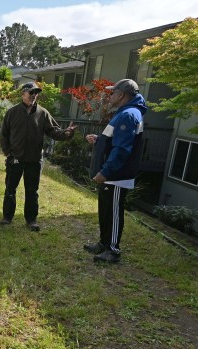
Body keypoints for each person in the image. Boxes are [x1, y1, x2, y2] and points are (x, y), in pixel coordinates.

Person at [84, 79, 147, 263]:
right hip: (111, 175)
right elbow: (117, 141)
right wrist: (100, 140)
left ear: (121, 95)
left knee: (113, 211)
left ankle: (113, 250)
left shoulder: (128, 114)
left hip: (117, 176)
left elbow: (122, 149)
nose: (110, 96)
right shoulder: (125, 113)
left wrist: (106, 171)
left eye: (113, 92)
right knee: (105, 210)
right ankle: (104, 243)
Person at [0, 82, 76, 231]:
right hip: (15, 158)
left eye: (36, 93)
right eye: (31, 92)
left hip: (34, 160)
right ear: (23, 94)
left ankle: (31, 220)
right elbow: (3, 135)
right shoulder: (12, 112)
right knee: (10, 189)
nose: (34, 95)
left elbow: (54, 131)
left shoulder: (43, 113)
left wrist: (66, 134)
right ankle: (7, 218)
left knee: (32, 191)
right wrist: (8, 153)